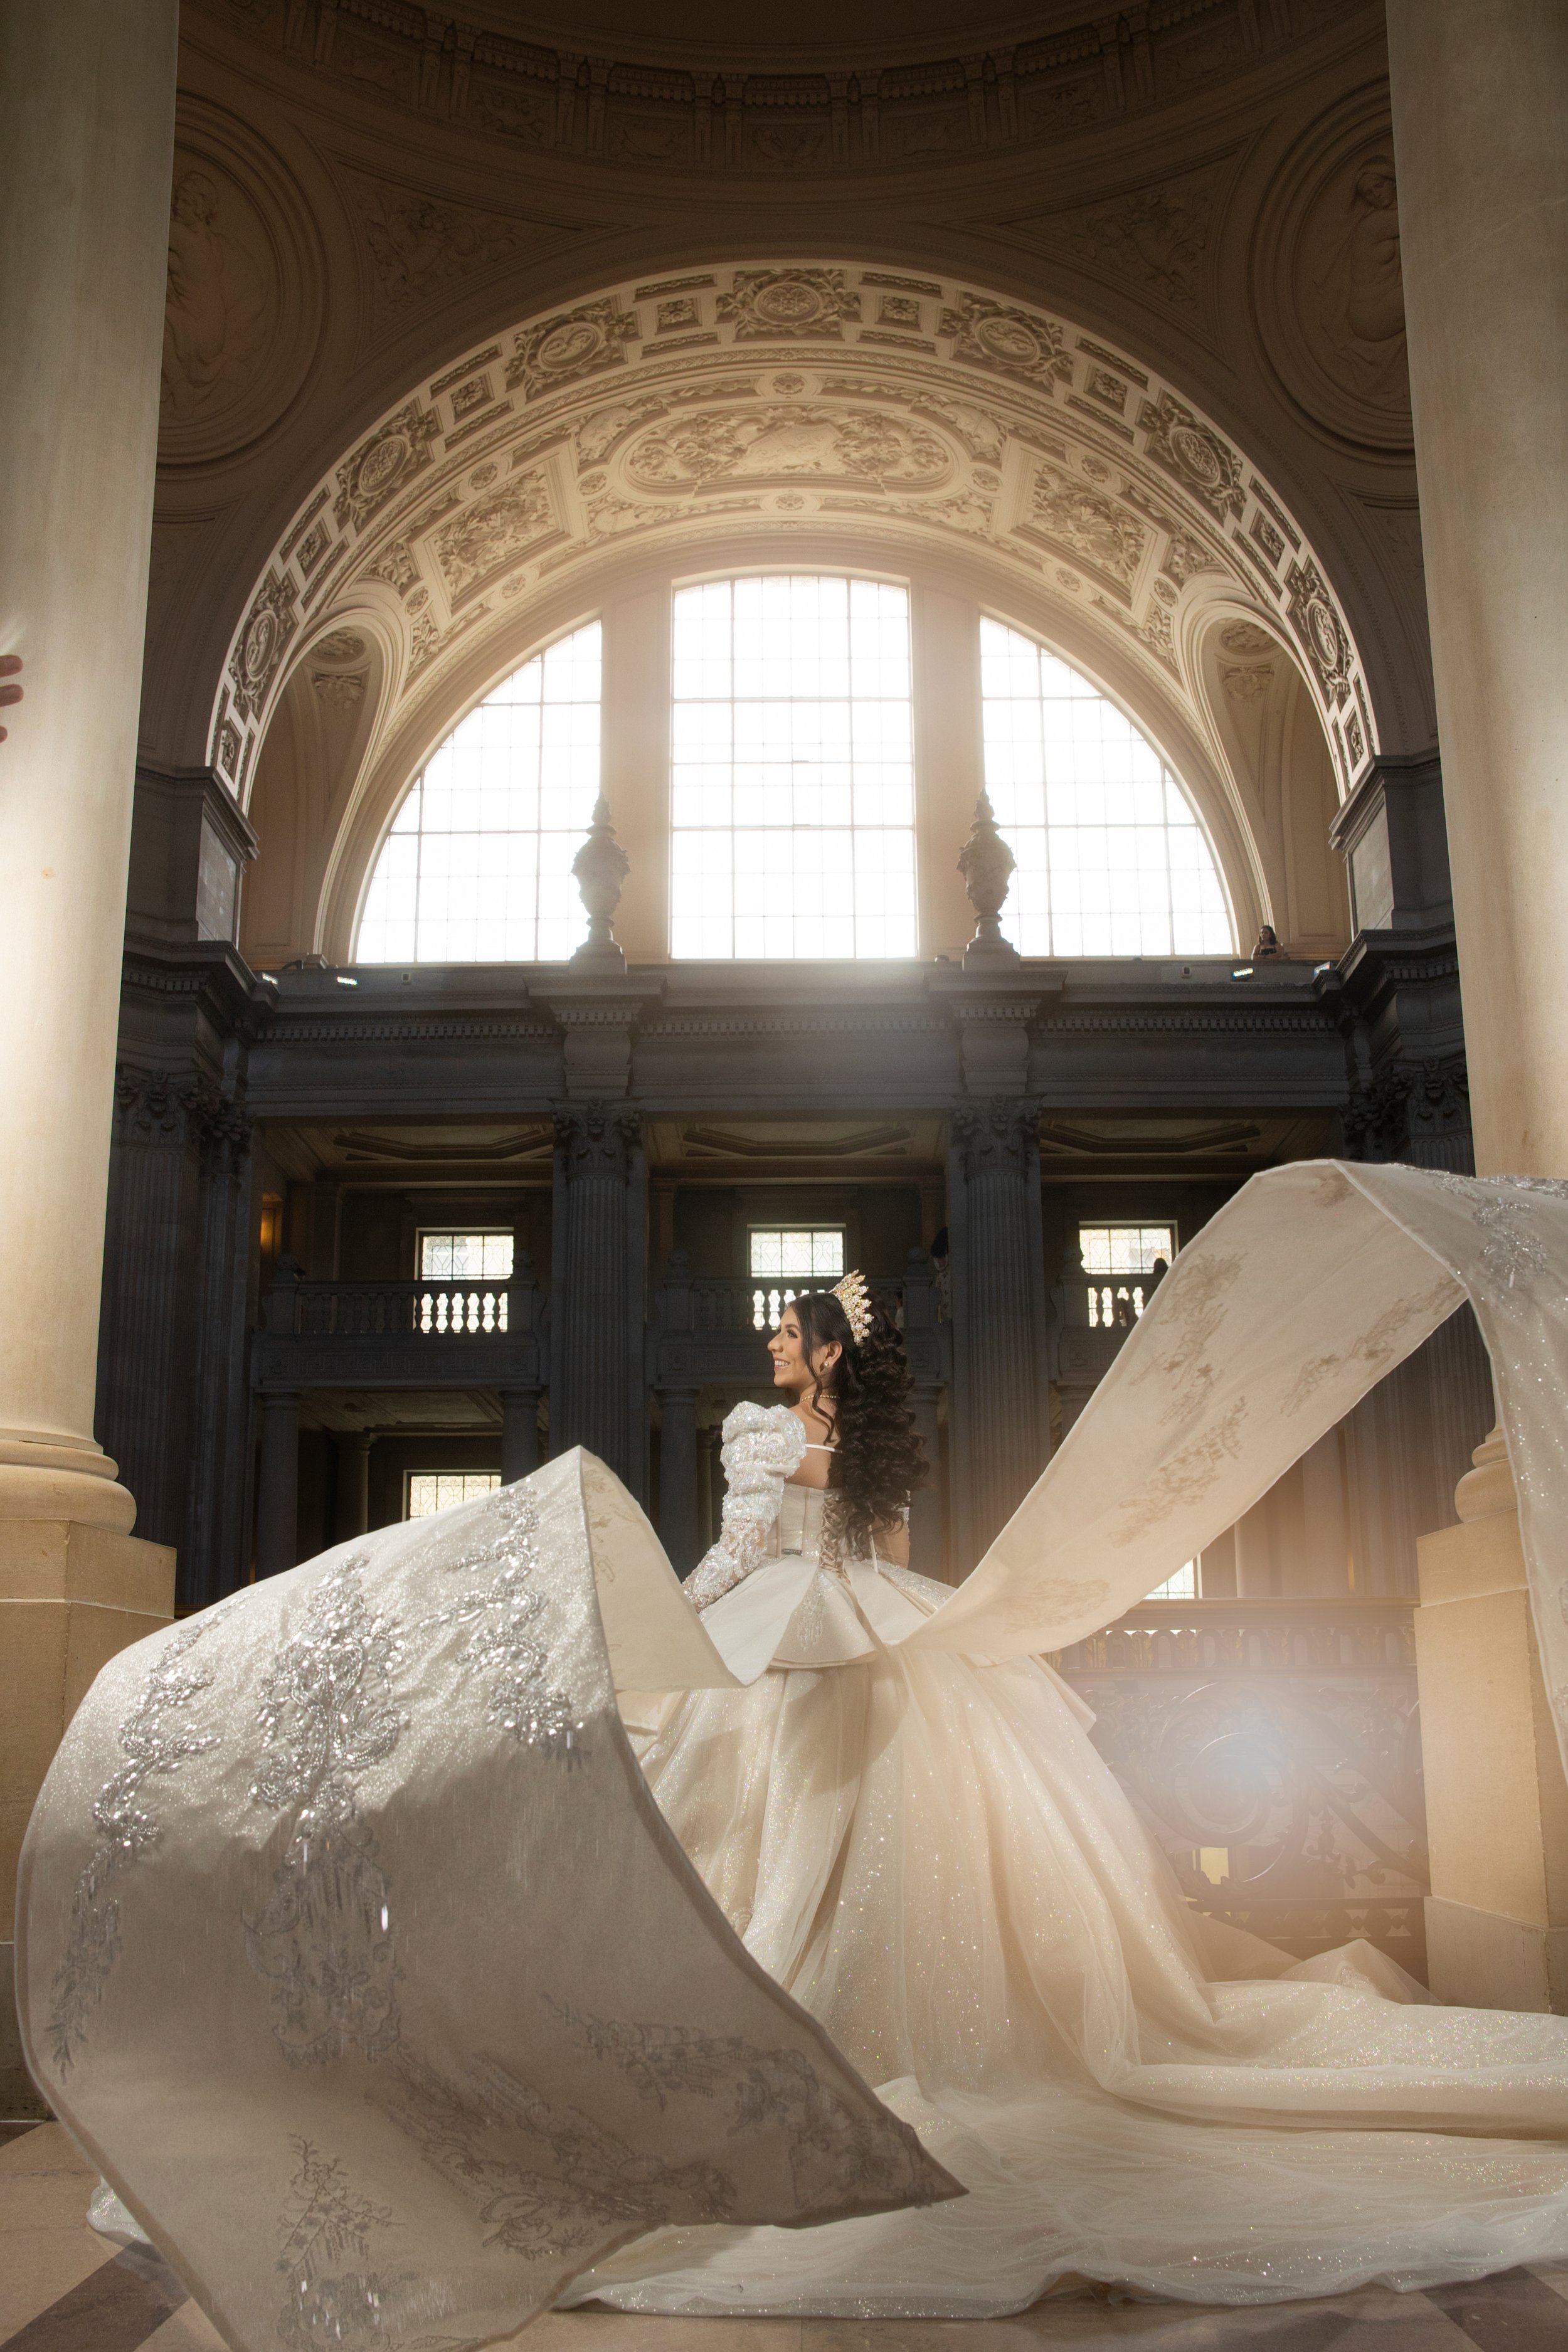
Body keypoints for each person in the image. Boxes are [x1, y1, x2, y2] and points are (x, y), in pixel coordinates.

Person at [562, 1261, 1568, 2316]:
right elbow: (892, 1551)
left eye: (784, 1333)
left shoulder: (759, 1433)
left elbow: (732, 1555)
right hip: (874, 1623)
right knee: (898, 1814)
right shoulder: (873, 1446)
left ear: (825, 1353)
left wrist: (658, 1628)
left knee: (757, 1813)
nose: (768, 1345)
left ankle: (784, 2002)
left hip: (782, 1630)